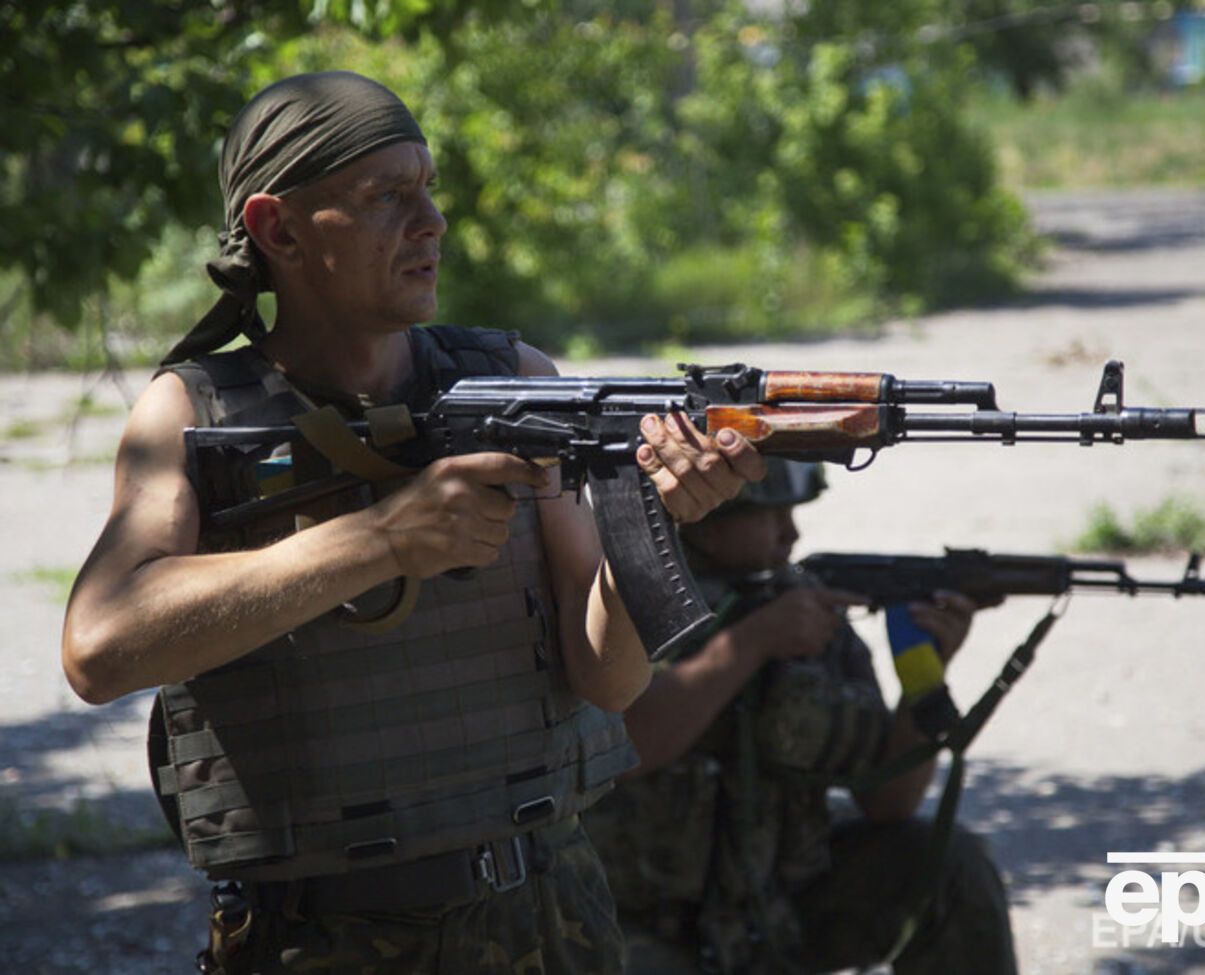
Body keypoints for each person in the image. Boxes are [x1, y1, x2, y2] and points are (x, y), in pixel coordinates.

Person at [60, 71, 763, 974]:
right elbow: (99, 644)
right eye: (386, 195)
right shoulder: (195, 411)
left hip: (552, 912)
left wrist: (650, 521)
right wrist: (382, 539)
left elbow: (609, 680)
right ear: (278, 228)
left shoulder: (513, 376)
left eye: (427, 188)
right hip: (325, 936)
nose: (429, 221)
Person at [582, 459, 1018, 974]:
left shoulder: (804, 613)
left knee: (949, 862)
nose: (792, 533)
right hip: (638, 924)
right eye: (771, 515)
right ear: (707, 514)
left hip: (778, 906)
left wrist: (926, 677)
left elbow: (888, 802)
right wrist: (751, 643)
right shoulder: (629, 607)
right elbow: (626, 745)